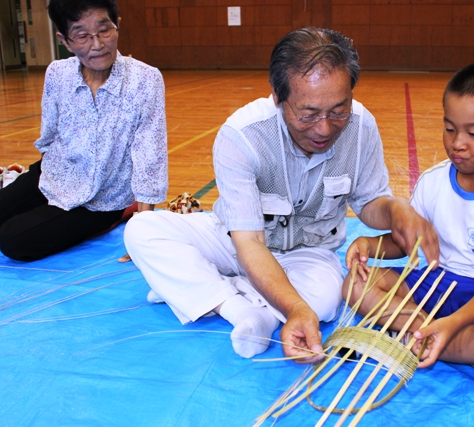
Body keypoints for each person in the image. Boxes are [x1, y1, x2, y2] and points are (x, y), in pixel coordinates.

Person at [124, 27, 438, 362]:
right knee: (143, 229)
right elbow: (249, 244)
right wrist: (294, 309)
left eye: (338, 110)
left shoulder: (362, 128)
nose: (324, 128)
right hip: (236, 242)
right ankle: (238, 309)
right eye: (308, 114)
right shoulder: (242, 137)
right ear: (277, 96)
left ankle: (208, 292)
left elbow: (369, 203)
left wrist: (394, 210)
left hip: (308, 252)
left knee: (326, 301)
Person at [343, 62, 474, 390]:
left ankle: (413, 335)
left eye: (473, 133)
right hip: (435, 284)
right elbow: (407, 241)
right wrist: (370, 245)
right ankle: (438, 340)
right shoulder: (434, 180)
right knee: (355, 281)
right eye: (450, 129)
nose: (457, 143)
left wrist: (452, 323)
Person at [0, 0, 167, 261]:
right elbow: (49, 135)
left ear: (117, 26)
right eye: (82, 36)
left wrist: (142, 231)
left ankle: (117, 215)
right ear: (65, 40)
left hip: (102, 198)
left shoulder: (145, 79)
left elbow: (149, 153)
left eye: (104, 31)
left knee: (13, 239)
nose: (97, 44)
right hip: (51, 177)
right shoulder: (57, 73)